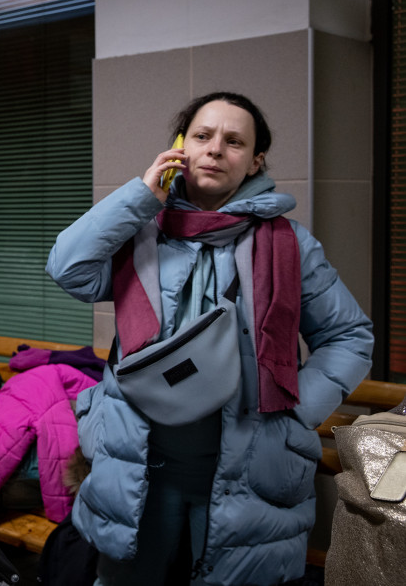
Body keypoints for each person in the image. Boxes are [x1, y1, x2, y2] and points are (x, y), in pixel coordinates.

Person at [45, 91, 373, 586]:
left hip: (247, 471)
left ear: (255, 160)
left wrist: (295, 409)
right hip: (138, 467)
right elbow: (67, 270)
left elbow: (349, 335)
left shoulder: (290, 243)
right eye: (202, 136)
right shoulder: (140, 230)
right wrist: (139, 197)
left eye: (234, 141)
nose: (216, 149)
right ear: (181, 146)